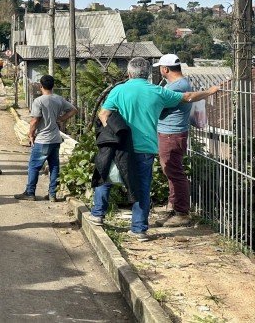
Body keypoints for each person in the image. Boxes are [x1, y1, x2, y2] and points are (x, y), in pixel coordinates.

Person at [88, 57, 219, 241]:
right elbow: (188, 97)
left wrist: (115, 132)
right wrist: (210, 91)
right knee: (142, 186)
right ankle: (139, 229)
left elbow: (104, 114)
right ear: (148, 74)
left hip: (121, 145)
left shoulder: (119, 90)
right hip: (145, 148)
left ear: (129, 73)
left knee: (106, 176)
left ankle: (98, 214)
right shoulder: (158, 91)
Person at [14, 75, 77, 202]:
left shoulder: (39, 101)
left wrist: (30, 135)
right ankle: (52, 194)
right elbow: (73, 110)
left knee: (34, 166)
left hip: (43, 139)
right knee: (54, 166)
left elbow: (34, 120)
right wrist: (60, 119)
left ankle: (30, 192)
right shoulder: (58, 99)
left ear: (40, 86)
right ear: (53, 86)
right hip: (55, 138)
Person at [154, 54, 194, 227]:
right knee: (171, 171)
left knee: (174, 172)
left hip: (171, 135)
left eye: (160, 68)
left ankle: (182, 212)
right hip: (171, 133)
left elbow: (156, 106)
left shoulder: (176, 87)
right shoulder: (179, 84)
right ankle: (174, 206)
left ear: (165, 69)